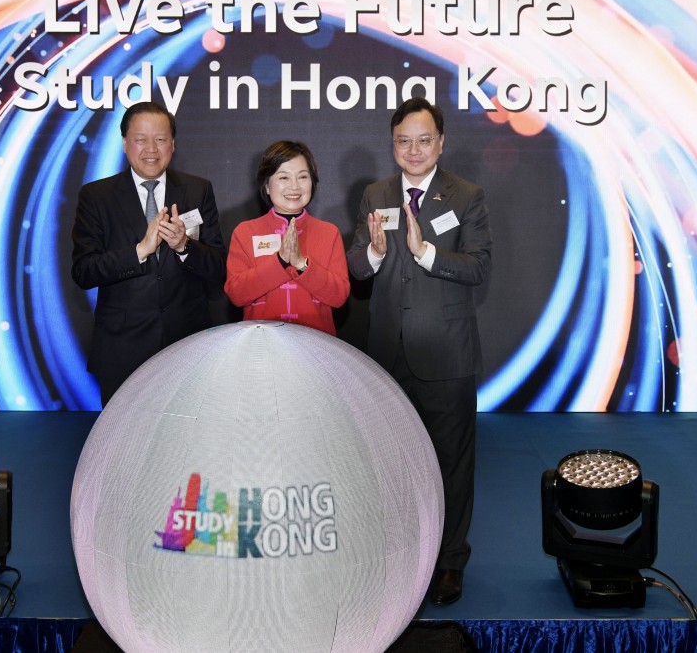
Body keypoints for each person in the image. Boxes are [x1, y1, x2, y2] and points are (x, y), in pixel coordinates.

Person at [347, 97, 493, 605]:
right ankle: (401, 554)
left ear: (441, 142)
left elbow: (478, 268)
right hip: (387, 355)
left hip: (446, 355)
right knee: (390, 463)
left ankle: (450, 562)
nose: (413, 149)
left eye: (424, 139)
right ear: (393, 144)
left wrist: (426, 252)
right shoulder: (376, 193)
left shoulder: (466, 195)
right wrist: (373, 252)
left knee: (451, 463)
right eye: (404, 140)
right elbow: (355, 270)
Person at [71, 101, 226, 405]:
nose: (151, 148)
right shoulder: (97, 196)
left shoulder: (198, 189)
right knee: (123, 440)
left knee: (182, 438)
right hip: (122, 346)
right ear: (125, 144)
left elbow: (219, 266)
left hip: (187, 343)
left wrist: (184, 247)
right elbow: (84, 271)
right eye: (141, 139)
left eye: (161, 139)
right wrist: (140, 250)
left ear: (173, 144)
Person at [224, 140, 349, 335]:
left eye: (302, 177)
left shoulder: (329, 233)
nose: (294, 186)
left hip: (315, 343)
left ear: (312, 183)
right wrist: (280, 261)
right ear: (267, 185)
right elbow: (237, 294)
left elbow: (339, 296)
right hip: (262, 345)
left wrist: (302, 264)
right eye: (283, 177)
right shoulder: (245, 232)